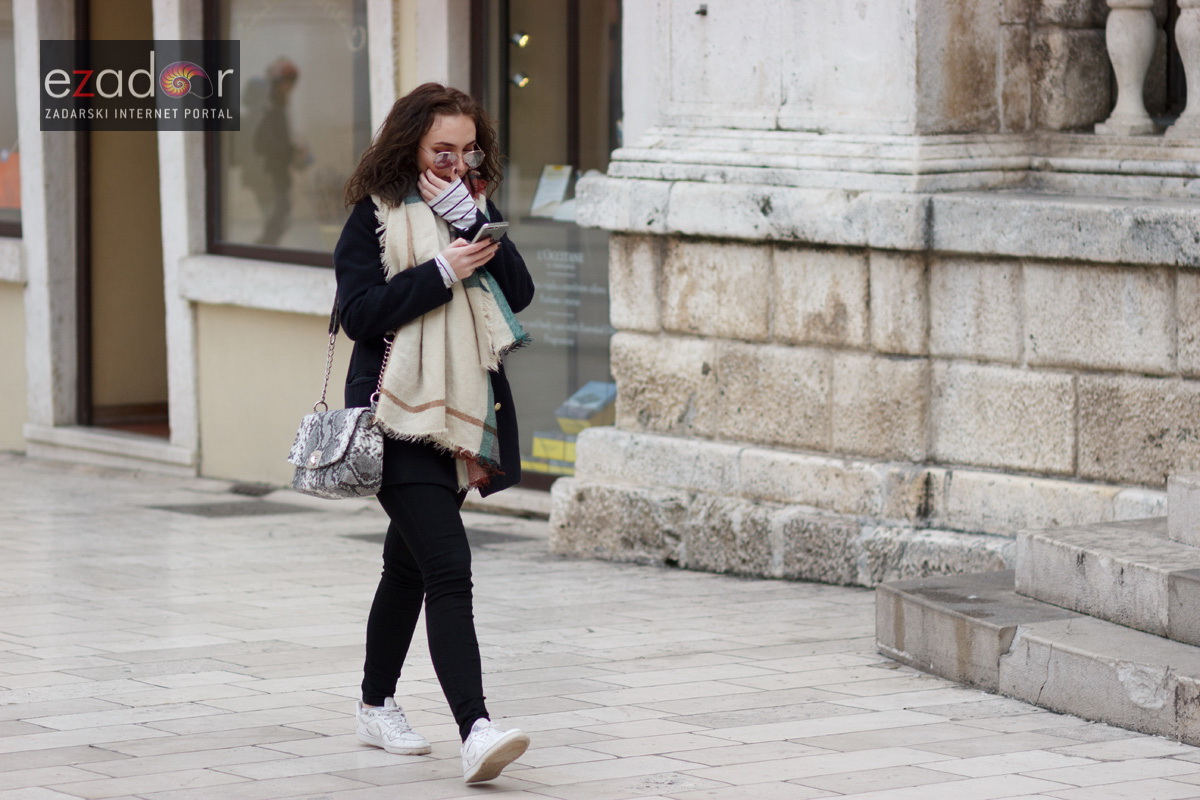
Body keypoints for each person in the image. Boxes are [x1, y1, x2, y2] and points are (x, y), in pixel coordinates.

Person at [334, 83, 535, 784]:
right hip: (396, 413)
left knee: (409, 568)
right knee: (448, 565)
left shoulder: (471, 205)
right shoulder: (374, 215)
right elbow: (360, 314)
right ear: (410, 146)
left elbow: (520, 292)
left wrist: (472, 223)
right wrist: (442, 270)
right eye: (441, 151)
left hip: (459, 416)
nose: (455, 164)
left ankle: (374, 704)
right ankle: (476, 729)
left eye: (467, 151)